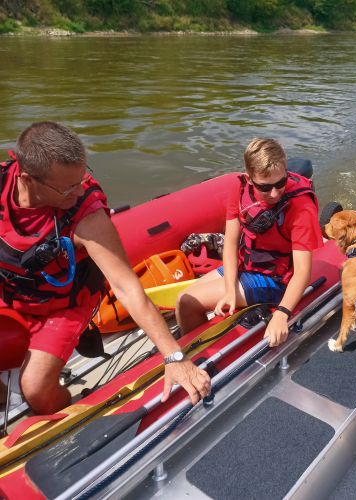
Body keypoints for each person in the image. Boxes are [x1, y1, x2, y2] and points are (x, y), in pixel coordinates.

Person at [0, 122, 210, 415]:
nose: (79, 191)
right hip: (12, 292)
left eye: (82, 179)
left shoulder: (87, 216)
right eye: (68, 187)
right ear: (26, 179)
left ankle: (57, 417)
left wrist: (174, 357)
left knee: (36, 388)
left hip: (64, 303)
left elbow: (128, 289)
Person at [176, 138, 323, 347]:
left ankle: (197, 354)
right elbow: (231, 242)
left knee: (188, 302)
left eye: (280, 183)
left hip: (276, 280)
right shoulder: (239, 189)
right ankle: (195, 342)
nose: (274, 193)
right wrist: (229, 290)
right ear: (250, 178)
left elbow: (302, 272)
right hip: (246, 265)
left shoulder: (301, 208)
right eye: (265, 187)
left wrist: (281, 314)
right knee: (183, 298)